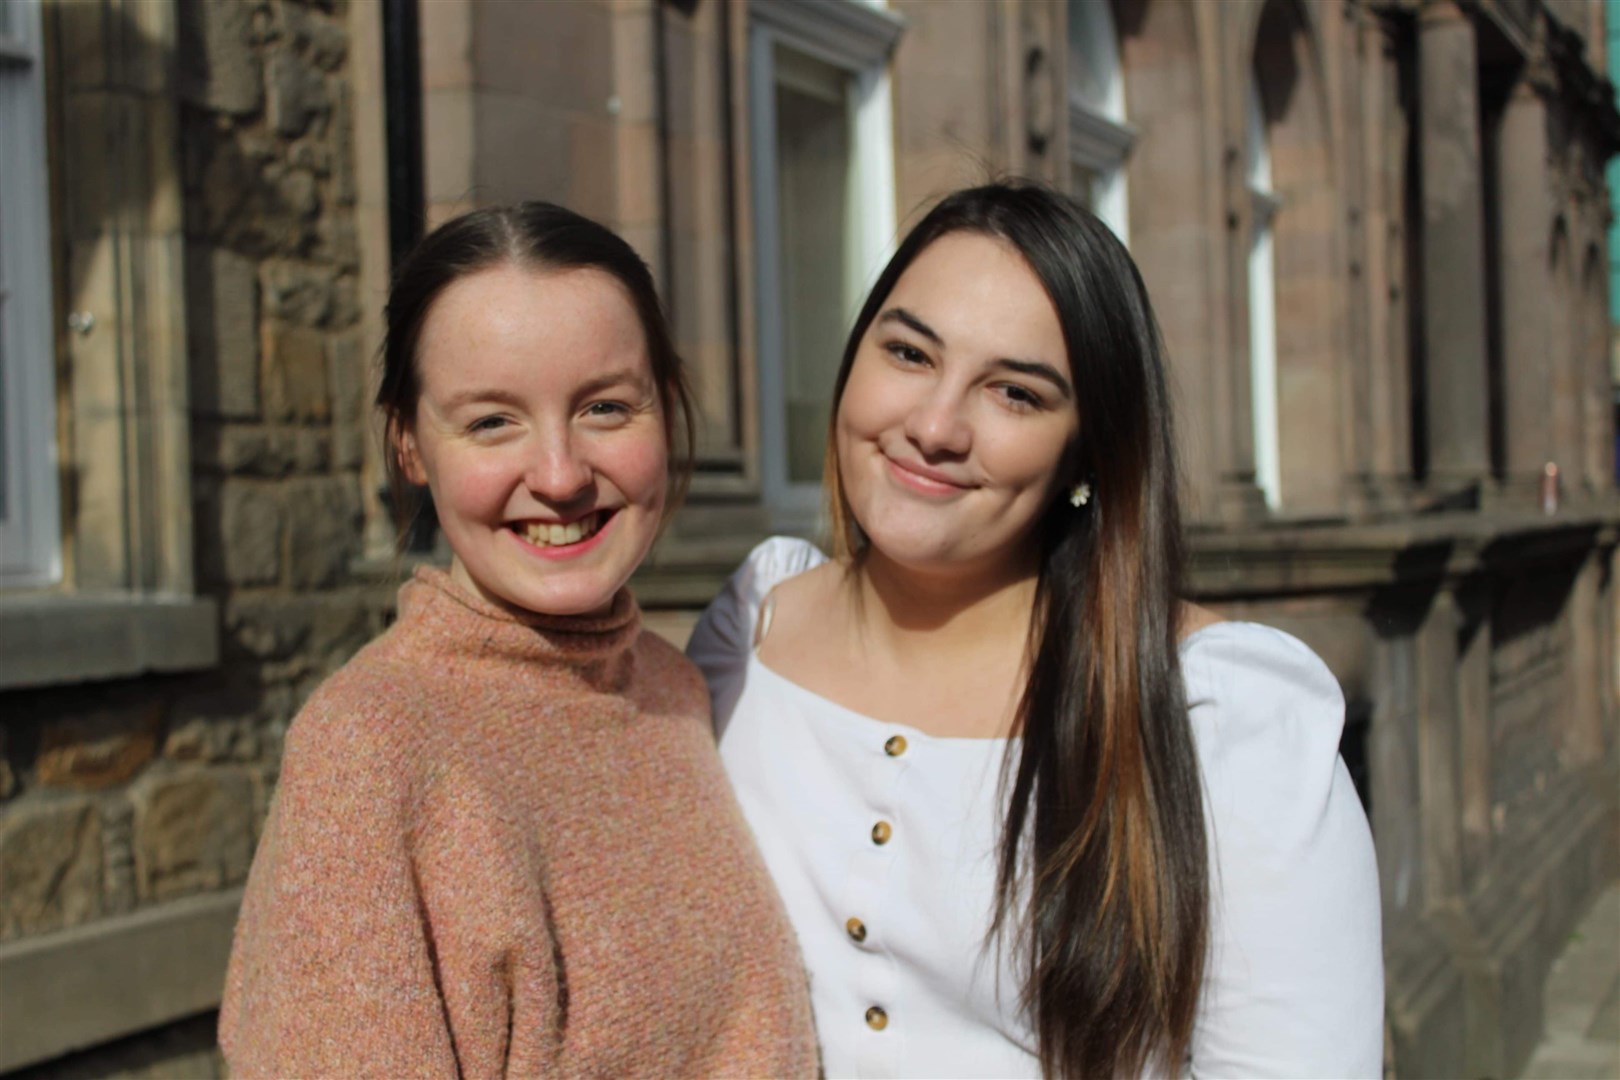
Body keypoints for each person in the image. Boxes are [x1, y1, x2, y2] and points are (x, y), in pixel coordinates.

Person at [687, 182, 1384, 1078]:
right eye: (908, 352)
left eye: (1014, 393)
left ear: (1085, 456)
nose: (935, 426)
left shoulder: (1221, 719)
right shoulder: (751, 624)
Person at [220, 202, 818, 1078]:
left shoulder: (673, 686)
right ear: (411, 448)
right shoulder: (371, 753)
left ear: (668, 410)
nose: (561, 475)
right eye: (492, 421)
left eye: (606, 407)